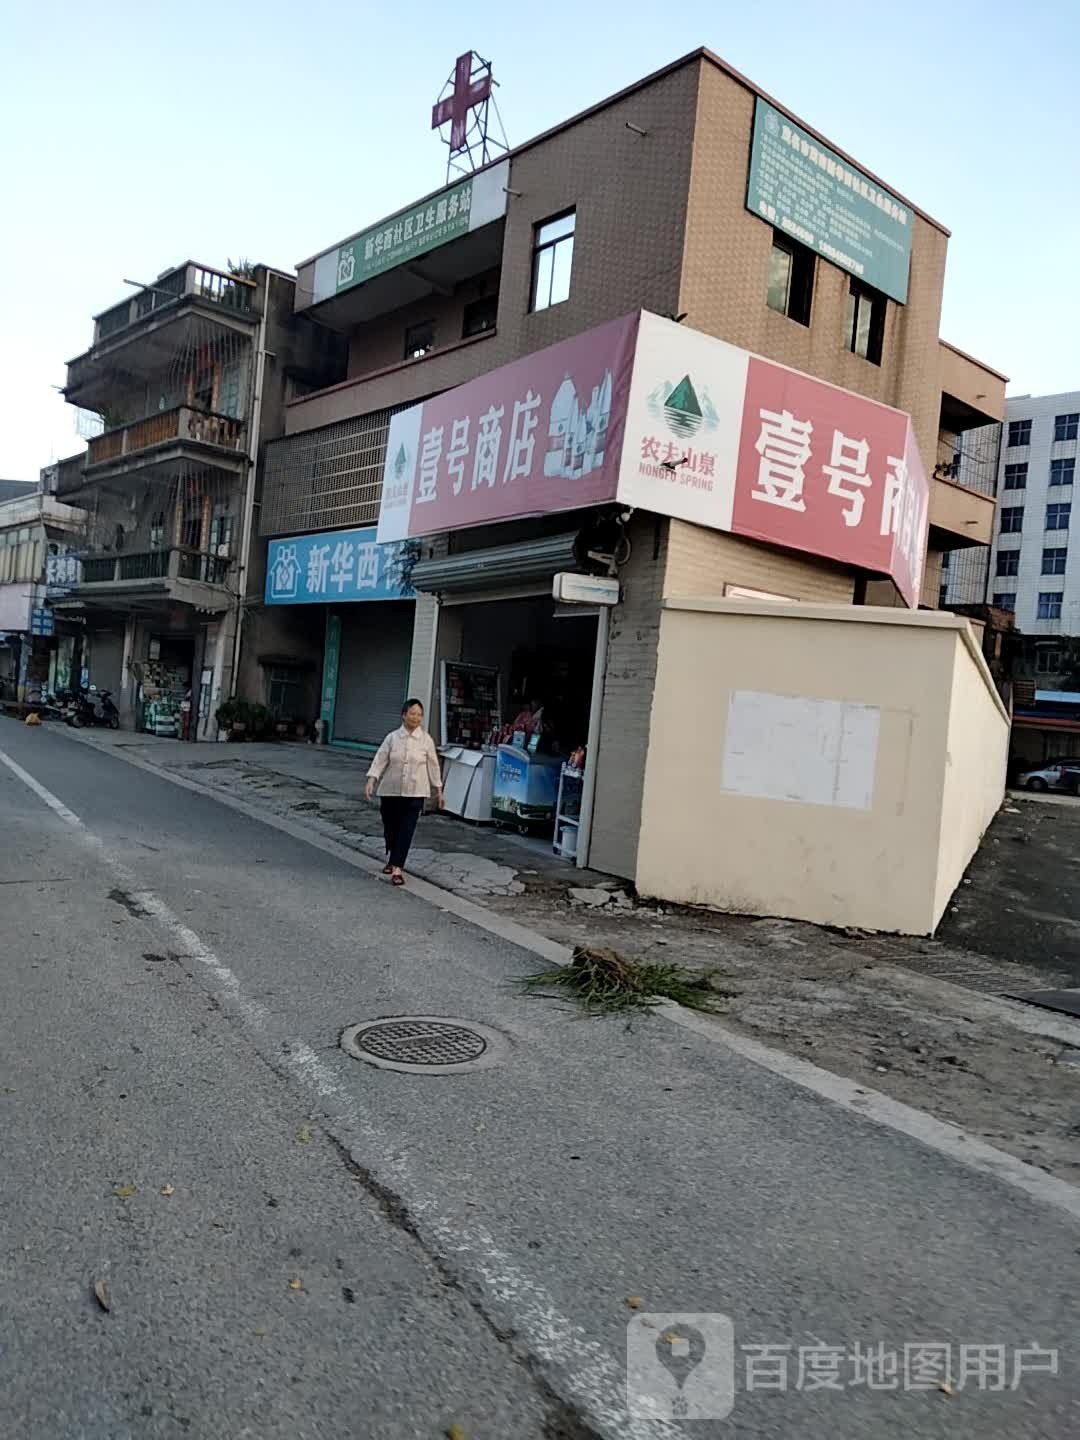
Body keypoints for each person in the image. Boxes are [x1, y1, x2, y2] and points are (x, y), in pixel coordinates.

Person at [365, 699, 443, 886]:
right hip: (390, 790)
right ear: (404, 715)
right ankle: (392, 858)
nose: (416, 717)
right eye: (412, 713)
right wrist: (371, 780)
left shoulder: (426, 740)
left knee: (406, 830)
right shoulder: (392, 738)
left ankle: (398, 868)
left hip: (416, 792)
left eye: (419, 714)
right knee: (390, 827)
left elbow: (433, 766)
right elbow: (380, 759)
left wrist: (438, 791)